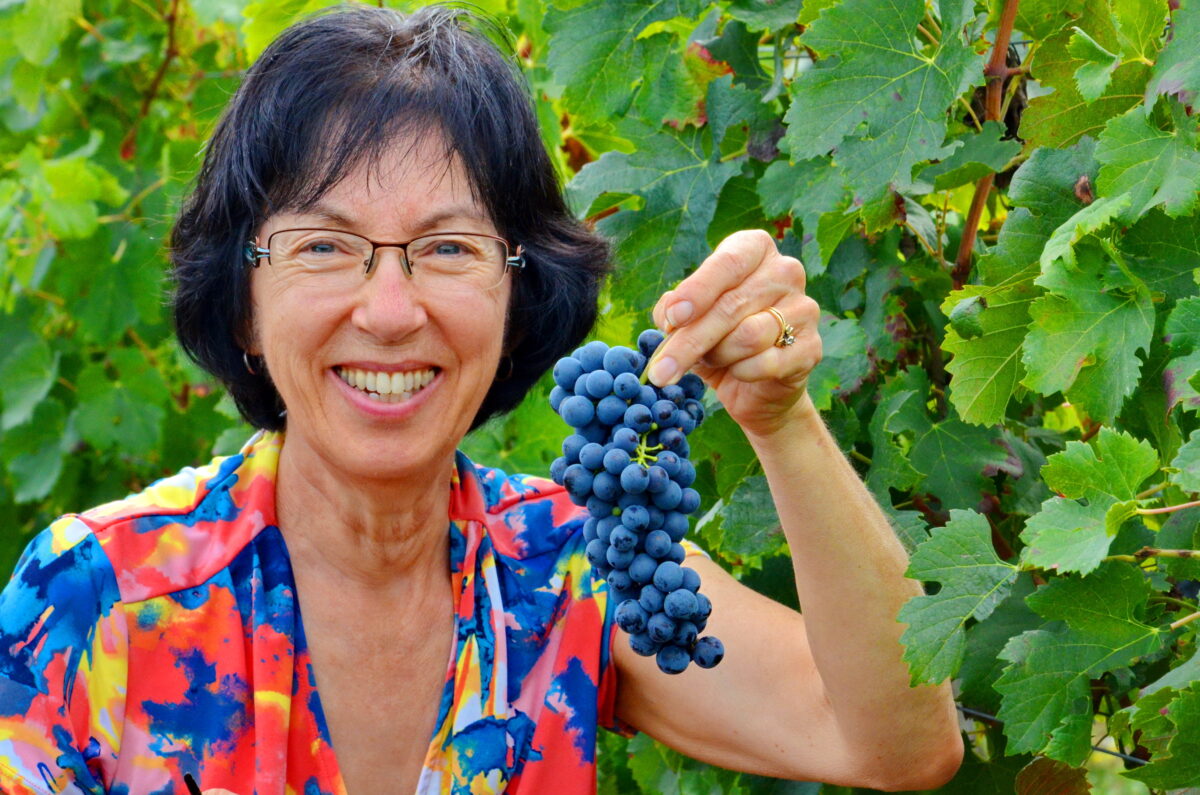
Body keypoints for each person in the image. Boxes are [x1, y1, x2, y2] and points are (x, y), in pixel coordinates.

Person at [0, 5, 962, 794]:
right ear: (244, 305)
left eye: (447, 248)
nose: (388, 311)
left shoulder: (569, 566)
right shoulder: (99, 595)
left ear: (520, 295)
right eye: (324, 245)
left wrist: (781, 420)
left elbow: (896, 744)